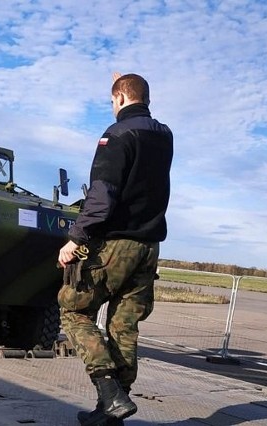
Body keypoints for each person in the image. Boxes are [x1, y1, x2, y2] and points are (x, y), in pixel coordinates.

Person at [57, 73, 173, 425]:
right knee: (124, 327)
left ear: (120, 98)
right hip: (149, 247)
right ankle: (112, 414)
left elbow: (102, 193)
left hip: (116, 243)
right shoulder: (164, 135)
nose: (112, 107)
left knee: (74, 312)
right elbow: (141, 112)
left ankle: (109, 392)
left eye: (112, 101)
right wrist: (127, 83)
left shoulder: (116, 135)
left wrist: (75, 238)